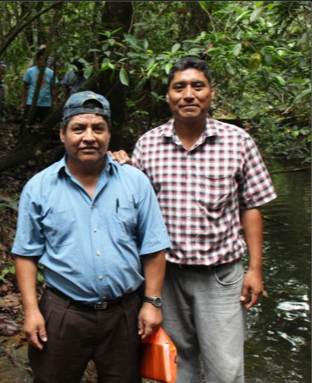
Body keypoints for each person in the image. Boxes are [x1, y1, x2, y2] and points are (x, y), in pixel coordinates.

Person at [112, 57, 277, 382]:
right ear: (168, 96)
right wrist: (121, 166)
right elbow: (136, 207)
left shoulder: (238, 142)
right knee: (174, 364)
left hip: (221, 278)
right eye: (179, 87)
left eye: (197, 86)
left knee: (226, 369)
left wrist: (255, 270)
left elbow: (252, 206)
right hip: (166, 277)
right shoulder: (148, 144)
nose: (189, 94)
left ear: (211, 94)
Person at [12, 91, 171, 383]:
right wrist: (31, 310)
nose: (89, 137)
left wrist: (152, 302)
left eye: (98, 128)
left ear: (109, 135)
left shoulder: (135, 182)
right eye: (78, 128)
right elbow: (26, 253)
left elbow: (153, 245)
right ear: (62, 134)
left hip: (124, 313)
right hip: (62, 312)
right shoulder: (39, 188)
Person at [20, 51, 58, 125]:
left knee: (45, 125)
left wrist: (56, 104)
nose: (44, 62)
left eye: (45, 60)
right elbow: (24, 87)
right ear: (37, 60)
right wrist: (23, 102)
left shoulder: (51, 73)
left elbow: (54, 89)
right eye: (41, 59)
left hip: (46, 103)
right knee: (27, 124)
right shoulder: (30, 71)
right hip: (31, 102)